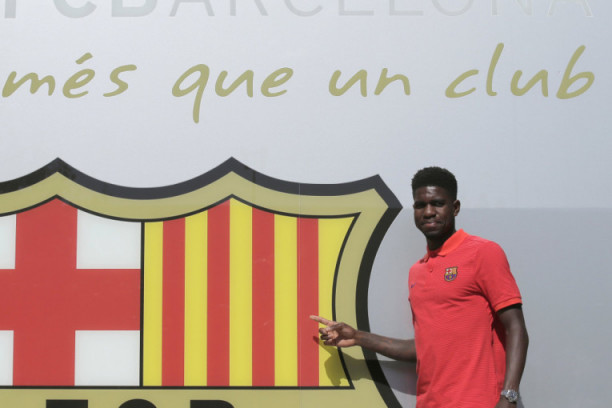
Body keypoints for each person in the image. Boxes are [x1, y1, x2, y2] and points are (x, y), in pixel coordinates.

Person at [311, 166, 528, 408]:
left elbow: (516, 328)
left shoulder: (483, 253)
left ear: (455, 207)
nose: (428, 212)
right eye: (420, 205)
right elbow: (423, 348)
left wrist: (509, 396)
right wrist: (358, 337)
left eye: (437, 204)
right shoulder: (417, 271)